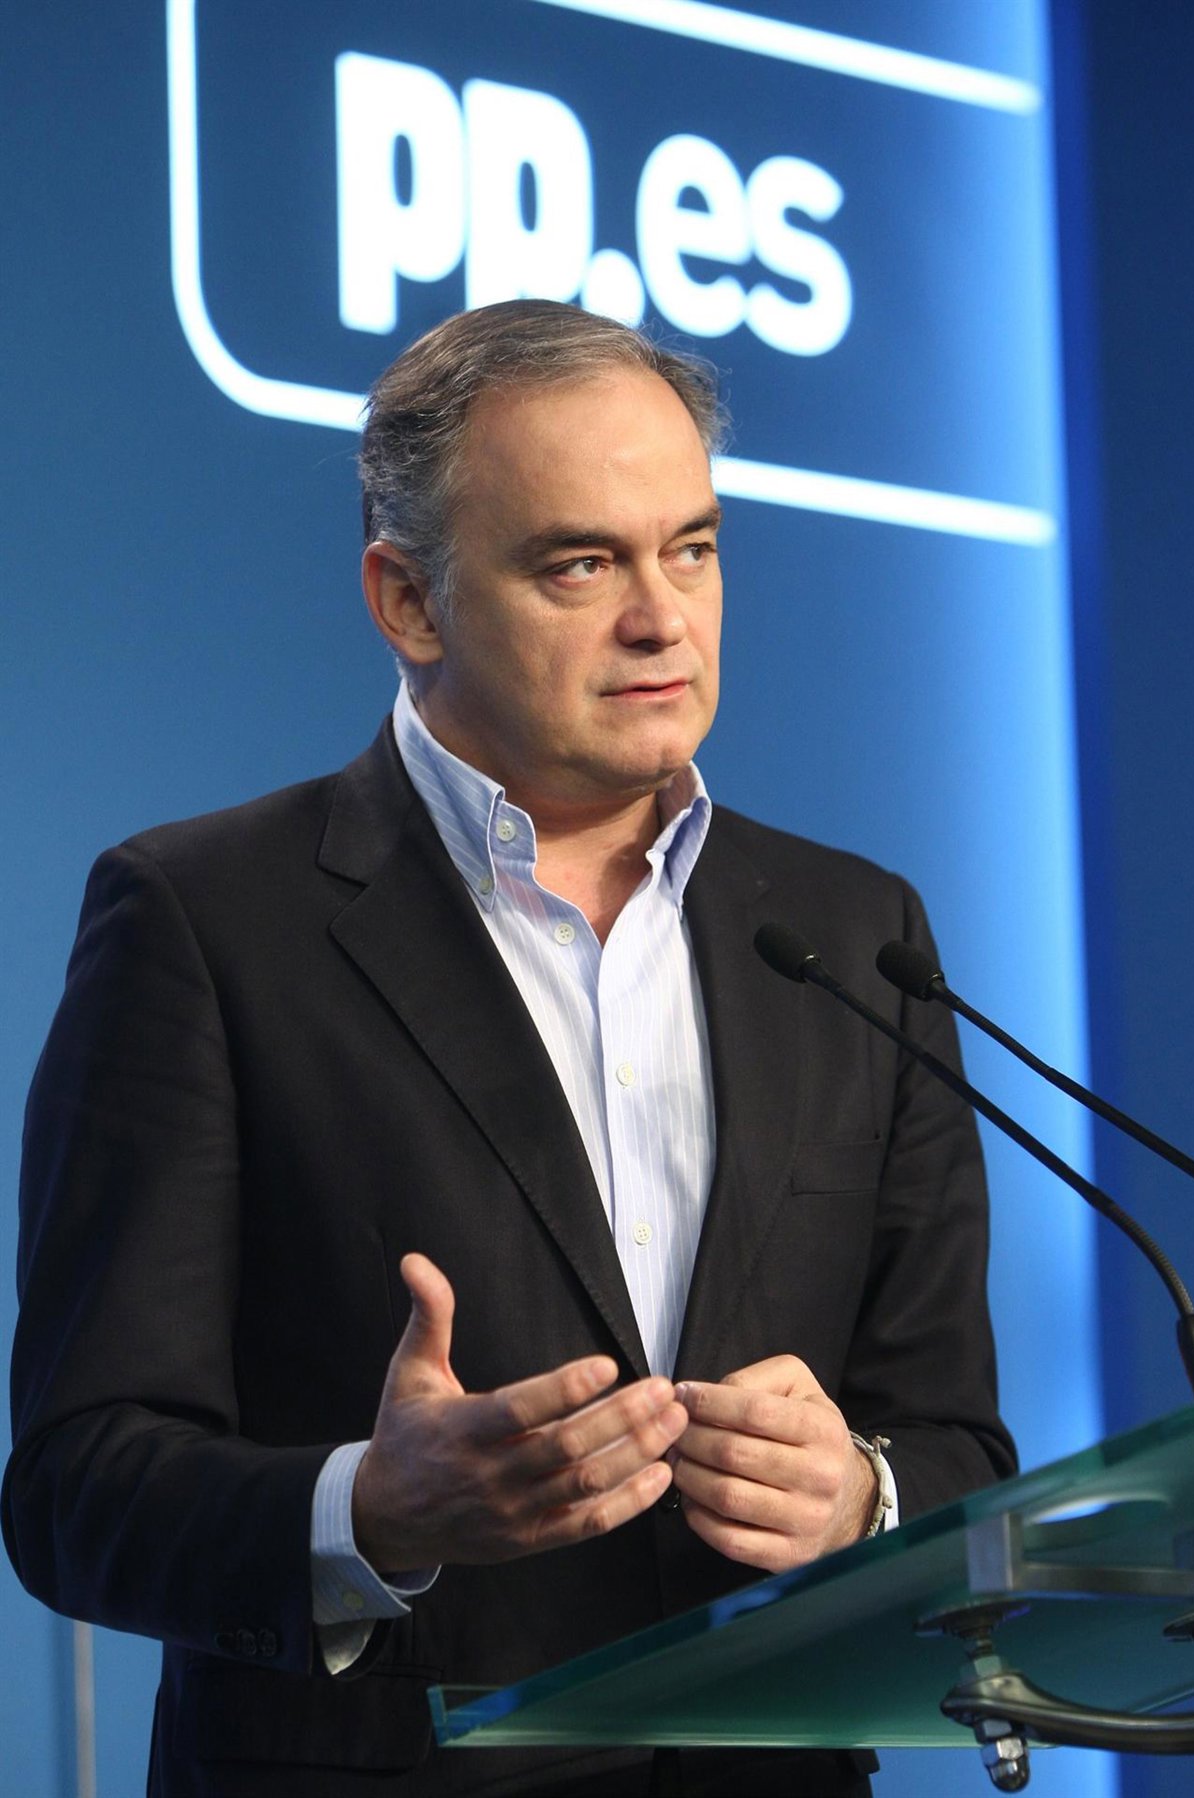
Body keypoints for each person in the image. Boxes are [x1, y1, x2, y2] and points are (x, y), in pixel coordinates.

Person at [4, 300, 1015, 1798]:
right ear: (409, 600)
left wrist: (859, 1498)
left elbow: (957, 1447)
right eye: (581, 563)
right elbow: (77, 1487)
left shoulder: (854, 933)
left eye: (692, 549)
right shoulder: (205, 922)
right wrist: (370, 1509)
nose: (663, 618)